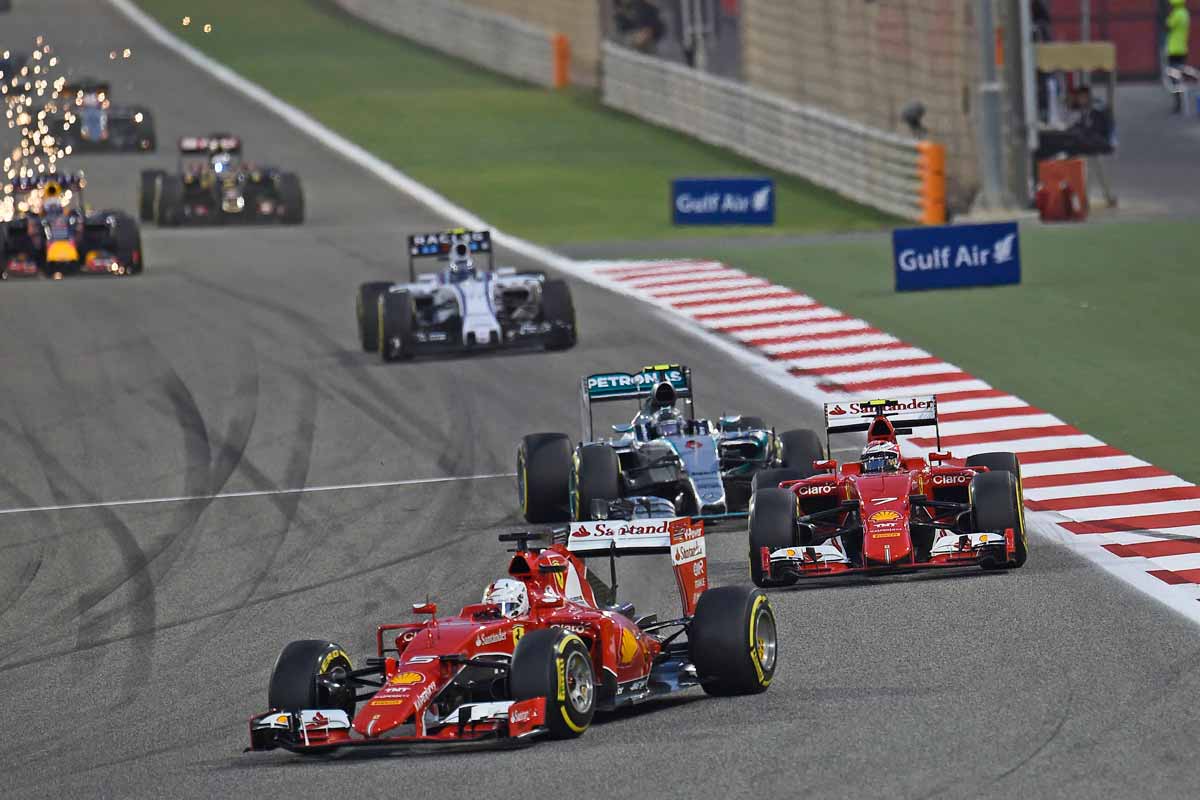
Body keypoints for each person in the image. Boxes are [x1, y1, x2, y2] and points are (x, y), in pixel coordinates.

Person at [1034, 85, 1114, 159]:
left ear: (1087, 97)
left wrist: (1074, 130)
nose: (1078, 100)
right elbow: (1081, 126)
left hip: (1098, 141)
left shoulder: (1096, 110)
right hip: (1087, 138)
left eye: (1081, 97)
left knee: (1067, 140)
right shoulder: (1084, 110)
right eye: (1078, 98)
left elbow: (1092, 129)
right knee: (1062, 140)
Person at [1167, 0, 1191, 113]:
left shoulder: (1176, 14)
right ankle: (1182, 102)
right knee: (1179, 76)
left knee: (1174, 78)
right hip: (1182, 49)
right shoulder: (1185, 13)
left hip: (1174, 50)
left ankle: (1178, 104)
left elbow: (1168, 25)